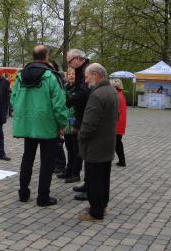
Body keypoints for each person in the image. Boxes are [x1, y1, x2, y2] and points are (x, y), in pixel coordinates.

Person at [11, 45, 68, 207]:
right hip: (47, 126)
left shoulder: (21, 76)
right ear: (47, 56)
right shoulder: (51, 76)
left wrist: (23, 114)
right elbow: (59, 103)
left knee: (27, 158)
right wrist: (62, 123)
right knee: (47, 161)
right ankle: (43, 197)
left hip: (27, 126)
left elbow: (13, 98)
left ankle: (23, 193)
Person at [78, 63, 119, 221]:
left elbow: (89, 124)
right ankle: (102, 205)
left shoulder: (97, 94)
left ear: (95, 75)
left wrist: (81, 136)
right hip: (107, 143)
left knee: (94, 179)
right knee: (103, 178)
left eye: (87, 77)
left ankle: (96, 212)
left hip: (95, 145)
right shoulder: (112, 91)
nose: (86, 81)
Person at [65, 49, 90, 198]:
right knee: (85, 152)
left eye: (70, 61)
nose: (69, 64)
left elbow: (83, 93)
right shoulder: (81, 70)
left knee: (87, 153)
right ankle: (87, 184)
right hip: (82, 117)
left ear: (78, 58)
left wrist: (68, 101)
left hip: (86, 117)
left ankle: (89, 187)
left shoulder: (86, 71)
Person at [57, 67, 81, 183]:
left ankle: (75, 173)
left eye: (74, 74)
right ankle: (69, 169)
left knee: (76, 149)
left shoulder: (79, 89)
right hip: (66, 122)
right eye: (69, 74)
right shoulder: (65, 88)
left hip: (75, 123)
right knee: (69, 148)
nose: (71, 75)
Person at [111, 78, 127, 167]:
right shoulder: (120, 94)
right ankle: (121, 160)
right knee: (117, 142)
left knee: (116, 143)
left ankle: (122, 160)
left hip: (117, 122)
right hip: (120, 122)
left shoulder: (116, 96)